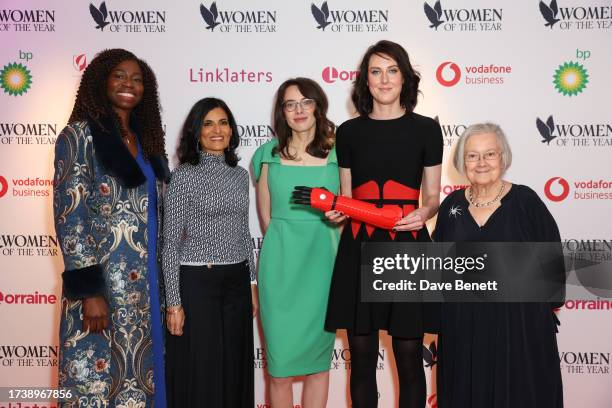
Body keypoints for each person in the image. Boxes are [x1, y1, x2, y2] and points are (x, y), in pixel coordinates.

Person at [324, 40, 443, 408]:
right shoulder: (347, 132)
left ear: (405, 77)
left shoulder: (426, 129)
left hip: (407, 250)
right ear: (365, 81)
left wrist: (424, 213)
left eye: (392, 70)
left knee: (409, 358)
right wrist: (338, 212)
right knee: (360, 360)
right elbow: (347, 196)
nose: (384, 79)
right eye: (376, 71)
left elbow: (433, 197)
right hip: (359, 248)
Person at [53, 49, 169, 407]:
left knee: (142, 381)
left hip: (146, 288)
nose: (128, 84)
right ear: (101, 80)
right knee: (96, 385)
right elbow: (70, 215)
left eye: (137, 79)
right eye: (119, 75)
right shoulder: (79, 135)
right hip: (104, 287)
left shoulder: (148, 143)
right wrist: (90, 291)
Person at [433, 123, 564, 408]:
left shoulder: (526, 202)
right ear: (461, 162)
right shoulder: (450, 206)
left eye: (489, 154)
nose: (481, 163)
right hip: (464, 328)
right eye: (472, 156)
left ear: (503, 157)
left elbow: (552, 260)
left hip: (518, 327)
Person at [162, 98, 256, 407]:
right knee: (203, 370)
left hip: (237, 281)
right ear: (196, 131)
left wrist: (252, 283)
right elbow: (171, 243)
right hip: (198, 281)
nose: (217, 130)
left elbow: (244, 233)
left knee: (235, 367)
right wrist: (174, 303)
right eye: (208, 123)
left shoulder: (241, 176)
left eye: (223, 122)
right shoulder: (185, 175)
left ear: (232, 130)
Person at [253, 77, 339, 408]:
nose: (298, 110)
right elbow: (266, 220)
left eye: (306, 102)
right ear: (282, 112)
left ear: (318, 106)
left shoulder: (338, 153)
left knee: (319, 366)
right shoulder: (266, 155)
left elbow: (348, 209)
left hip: (324, 268)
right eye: (290, 104)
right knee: (279, 371)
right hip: (281, 269)